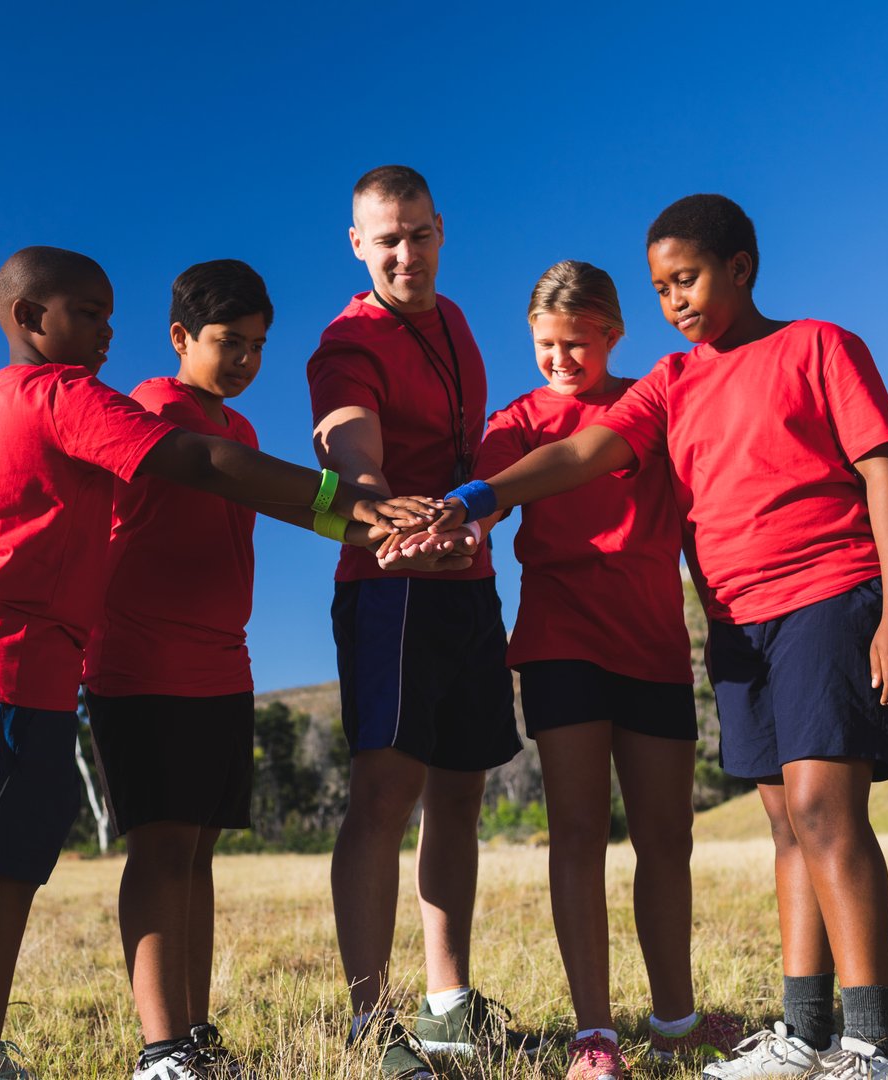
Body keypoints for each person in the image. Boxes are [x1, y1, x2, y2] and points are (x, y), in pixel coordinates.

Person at [412, 195, 888, 1080]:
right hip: (735, 622)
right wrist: (473, 498)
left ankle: (877, 1043)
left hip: (825, 594)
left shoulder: (818, 346)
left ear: (742, 267)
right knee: (782, 824)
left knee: (821, 812)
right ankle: (804, 1033)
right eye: (661, 288)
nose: (676, 301)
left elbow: (884, 473)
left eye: (686, 279)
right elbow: (579, 455)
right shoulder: (673, 383)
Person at [0, 246, 429, 1080]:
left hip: (101, 657)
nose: (107, 333)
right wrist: (353, 500)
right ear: (29, 318)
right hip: (58, 658)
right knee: (4, 865)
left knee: (159, 853)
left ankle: (168, 1037)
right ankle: (71, 1055)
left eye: (110, 317)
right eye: (87, 314)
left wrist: (381, 531)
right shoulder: (99, 401)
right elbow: (197, 464)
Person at [449, 260, 738, 1080]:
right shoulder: (514, 423)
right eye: (547, 345)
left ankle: (676, 1021)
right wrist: (464, 527)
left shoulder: (656, 404)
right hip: (558, 642)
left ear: (613, 335)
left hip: (652, 644)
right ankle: (594, 1037)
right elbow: (489, 503)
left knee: (666, 839)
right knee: (577, 835)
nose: (562, 361)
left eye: (578, 344)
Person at [306, 165, 533, 1078]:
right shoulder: (344, 342)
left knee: (462, 792)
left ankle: (448, 1004)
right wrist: (385, 512)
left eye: (418, 234)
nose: (406, 254)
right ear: (358, 246)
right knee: (383, 798)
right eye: (386, 240)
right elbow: (352, 453)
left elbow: (475, 455)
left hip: (468, 581)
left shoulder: (460, 322)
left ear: (442, 229)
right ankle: (372, 1021)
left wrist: (478, 517)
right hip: (390, 583)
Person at [82, 259, 283, 1080]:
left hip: (220, 662)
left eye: (258, 346)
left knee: (197, 853)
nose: (243, 360)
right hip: (141, 659)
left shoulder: (245, 434)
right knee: (160, 850)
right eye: (228, 342)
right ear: (179, 338)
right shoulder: (149, 409)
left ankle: (195, 1038)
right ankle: (160, 1050)